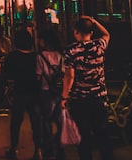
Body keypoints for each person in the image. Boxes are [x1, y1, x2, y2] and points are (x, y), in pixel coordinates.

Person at [62, 15, 114, 160]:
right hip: (99, 98)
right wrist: (94, 21)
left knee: (83, 136)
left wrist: (64, 97)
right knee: (102, 134)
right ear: (91, 33)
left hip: (80, 99)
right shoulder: (99, 46)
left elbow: (69, 77)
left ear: (75, 31)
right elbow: (106, 34)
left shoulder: (71, 50)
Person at [3, 28, 43, 160]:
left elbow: (7, 75)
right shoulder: (37, 56)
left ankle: (13, 149)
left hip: (19, 93)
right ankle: (38, 150)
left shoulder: (12, 56)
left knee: (15, 123)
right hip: (35, 94)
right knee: (36, 123)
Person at [36, 28, 65, 160]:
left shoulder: (40, 56)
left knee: (46, 120)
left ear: (44, 41)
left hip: (45, 91)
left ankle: (48, 148)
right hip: (59, 92)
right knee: (60, 121)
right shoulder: (61, 56)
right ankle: (59, 147)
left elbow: (38, 76)